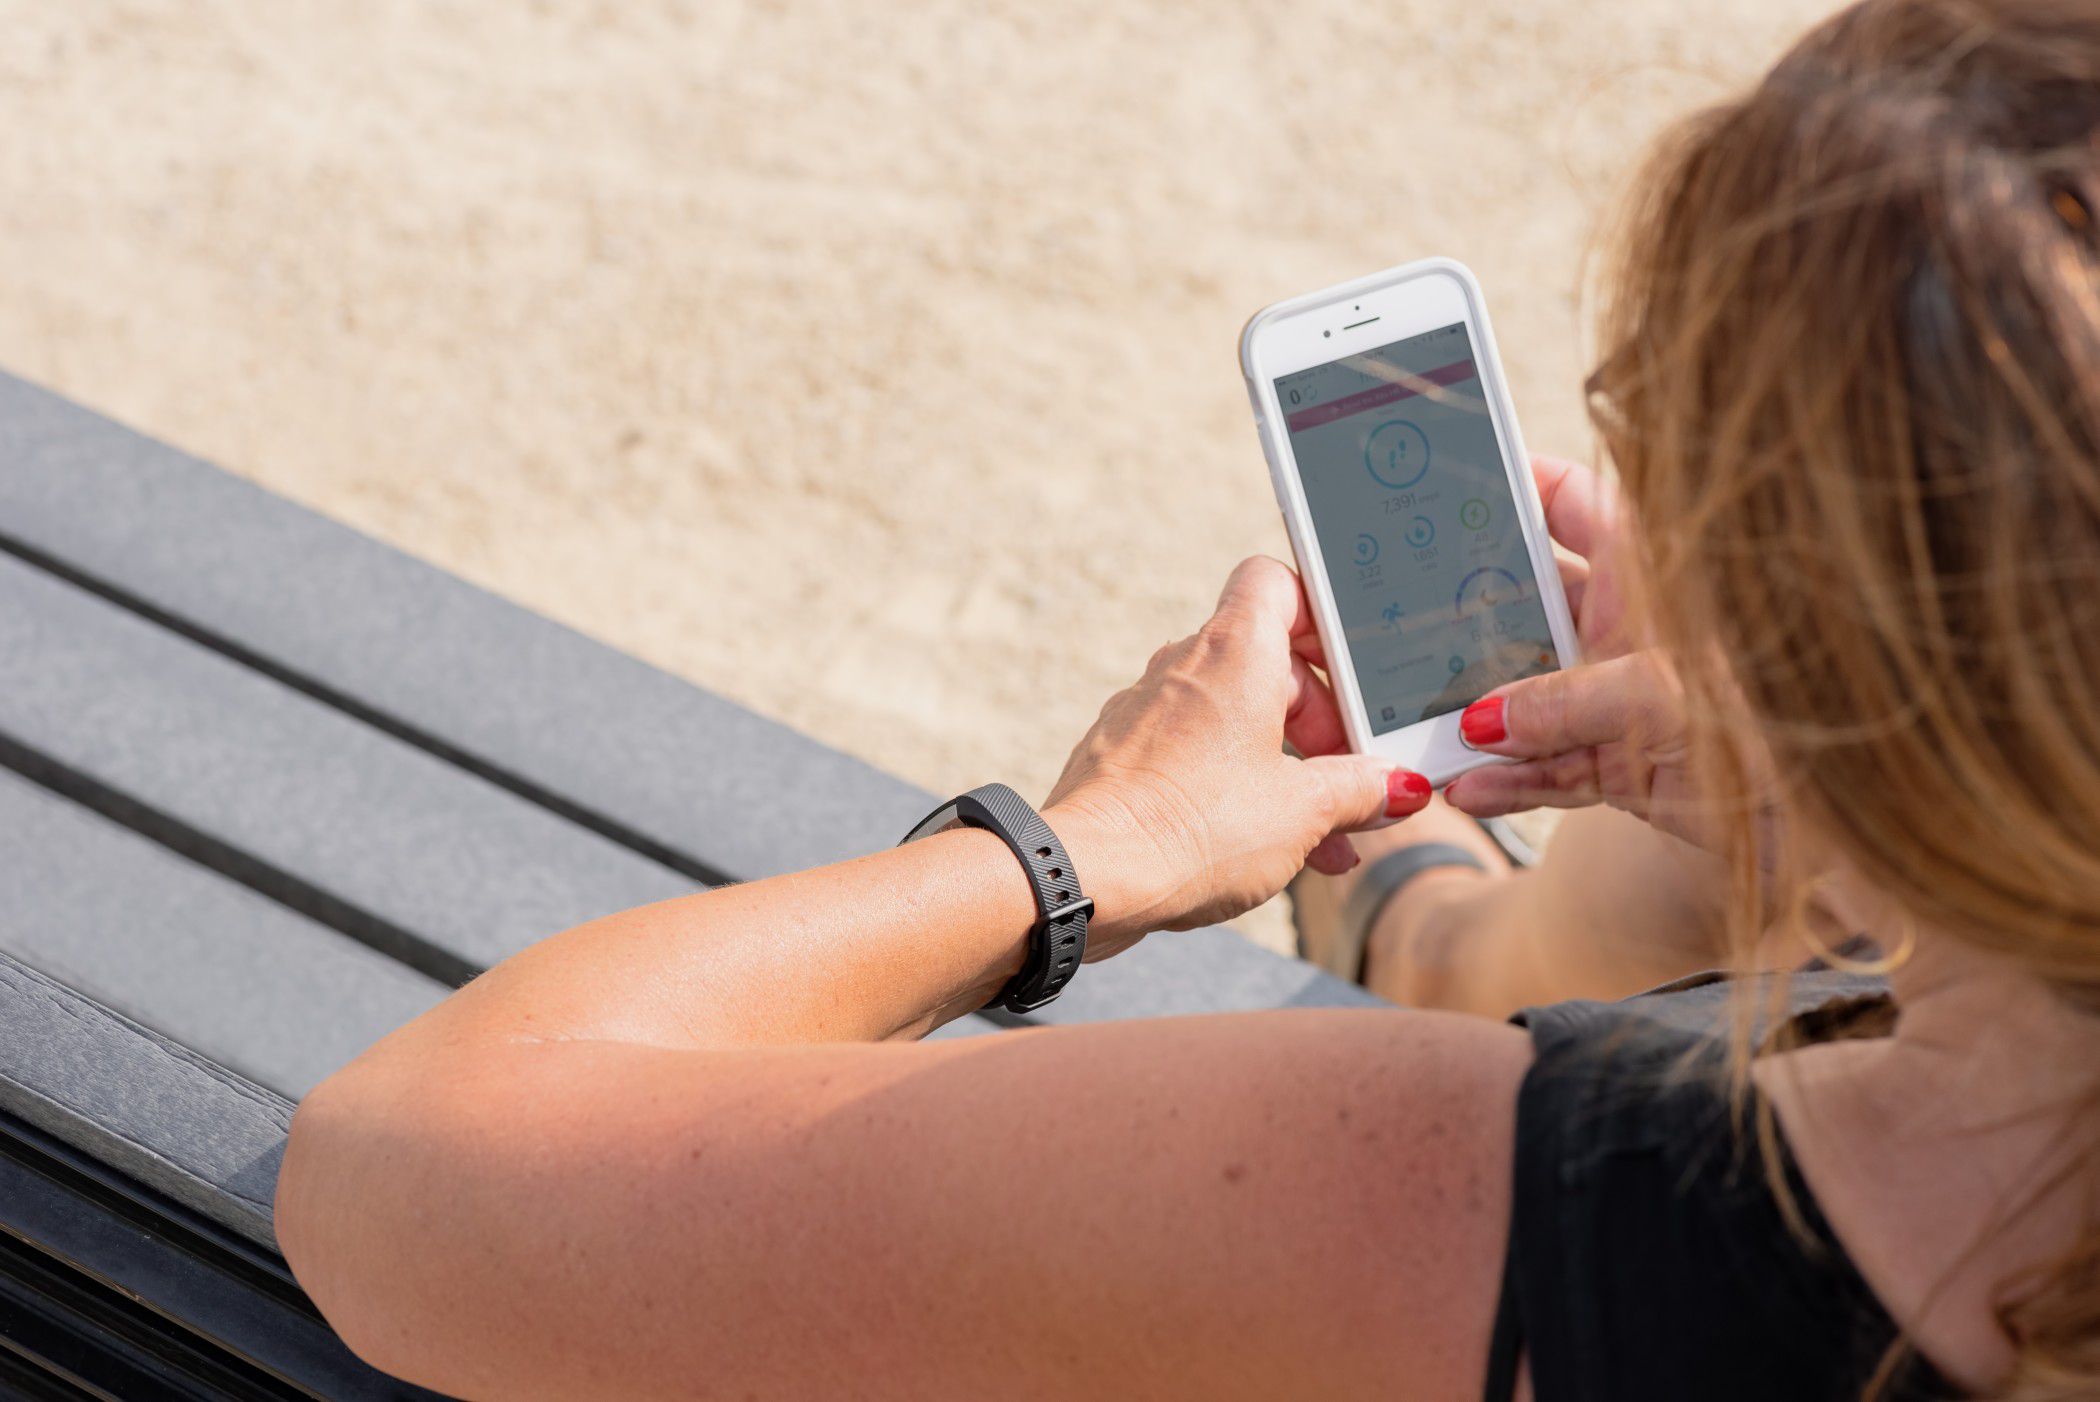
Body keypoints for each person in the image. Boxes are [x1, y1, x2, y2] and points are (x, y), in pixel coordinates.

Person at [274, 1, 2100, 1396]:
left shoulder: (1453, 1198)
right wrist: (1858, 826)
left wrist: (1073, 852)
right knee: (1561, 920)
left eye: (1662, 414)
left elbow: (397, 1171)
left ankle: (1402, 891)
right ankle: (1407, 893)